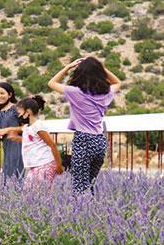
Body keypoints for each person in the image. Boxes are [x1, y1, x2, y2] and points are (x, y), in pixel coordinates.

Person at [47, 57, 122, 194]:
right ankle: (92, 211)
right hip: (100, 141)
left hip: (83, 139)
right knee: (90, 183)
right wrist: (102, 68)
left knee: (79, 185)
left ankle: (80, 213)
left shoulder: (74, 92)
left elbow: (51, 83)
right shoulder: (105, 93)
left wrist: (68, 67)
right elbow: (117, 82)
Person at [0, 96, 64, 188]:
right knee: (29, 193)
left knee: (40, 194)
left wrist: (59, 165)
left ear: (27, 112)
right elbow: (32, 142)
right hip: (34, 166)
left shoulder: (38, 126)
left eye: (20, 113)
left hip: (44, 164)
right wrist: (15, 137)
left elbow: (52, 145)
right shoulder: (28, 128)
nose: (19, 116)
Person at [0, 82, 23, 182]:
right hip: (7, 146)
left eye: (2, 93)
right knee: (8, 174)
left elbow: (26, 127)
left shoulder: (16, 108)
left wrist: (7, 130)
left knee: (17, 173)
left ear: (10, 94)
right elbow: (2, 129)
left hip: (18, 145)